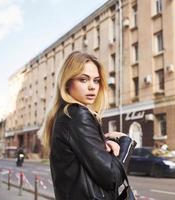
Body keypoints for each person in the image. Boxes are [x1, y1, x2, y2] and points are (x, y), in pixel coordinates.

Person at [41, 51, 136, 200]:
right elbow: (112, 178)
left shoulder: (64, 115)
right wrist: (126, 143)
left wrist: (102, 146)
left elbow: (83, 163)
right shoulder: (77, 115)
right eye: (83, 80)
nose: (92, 87)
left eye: (96, 80)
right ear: (67, 82)